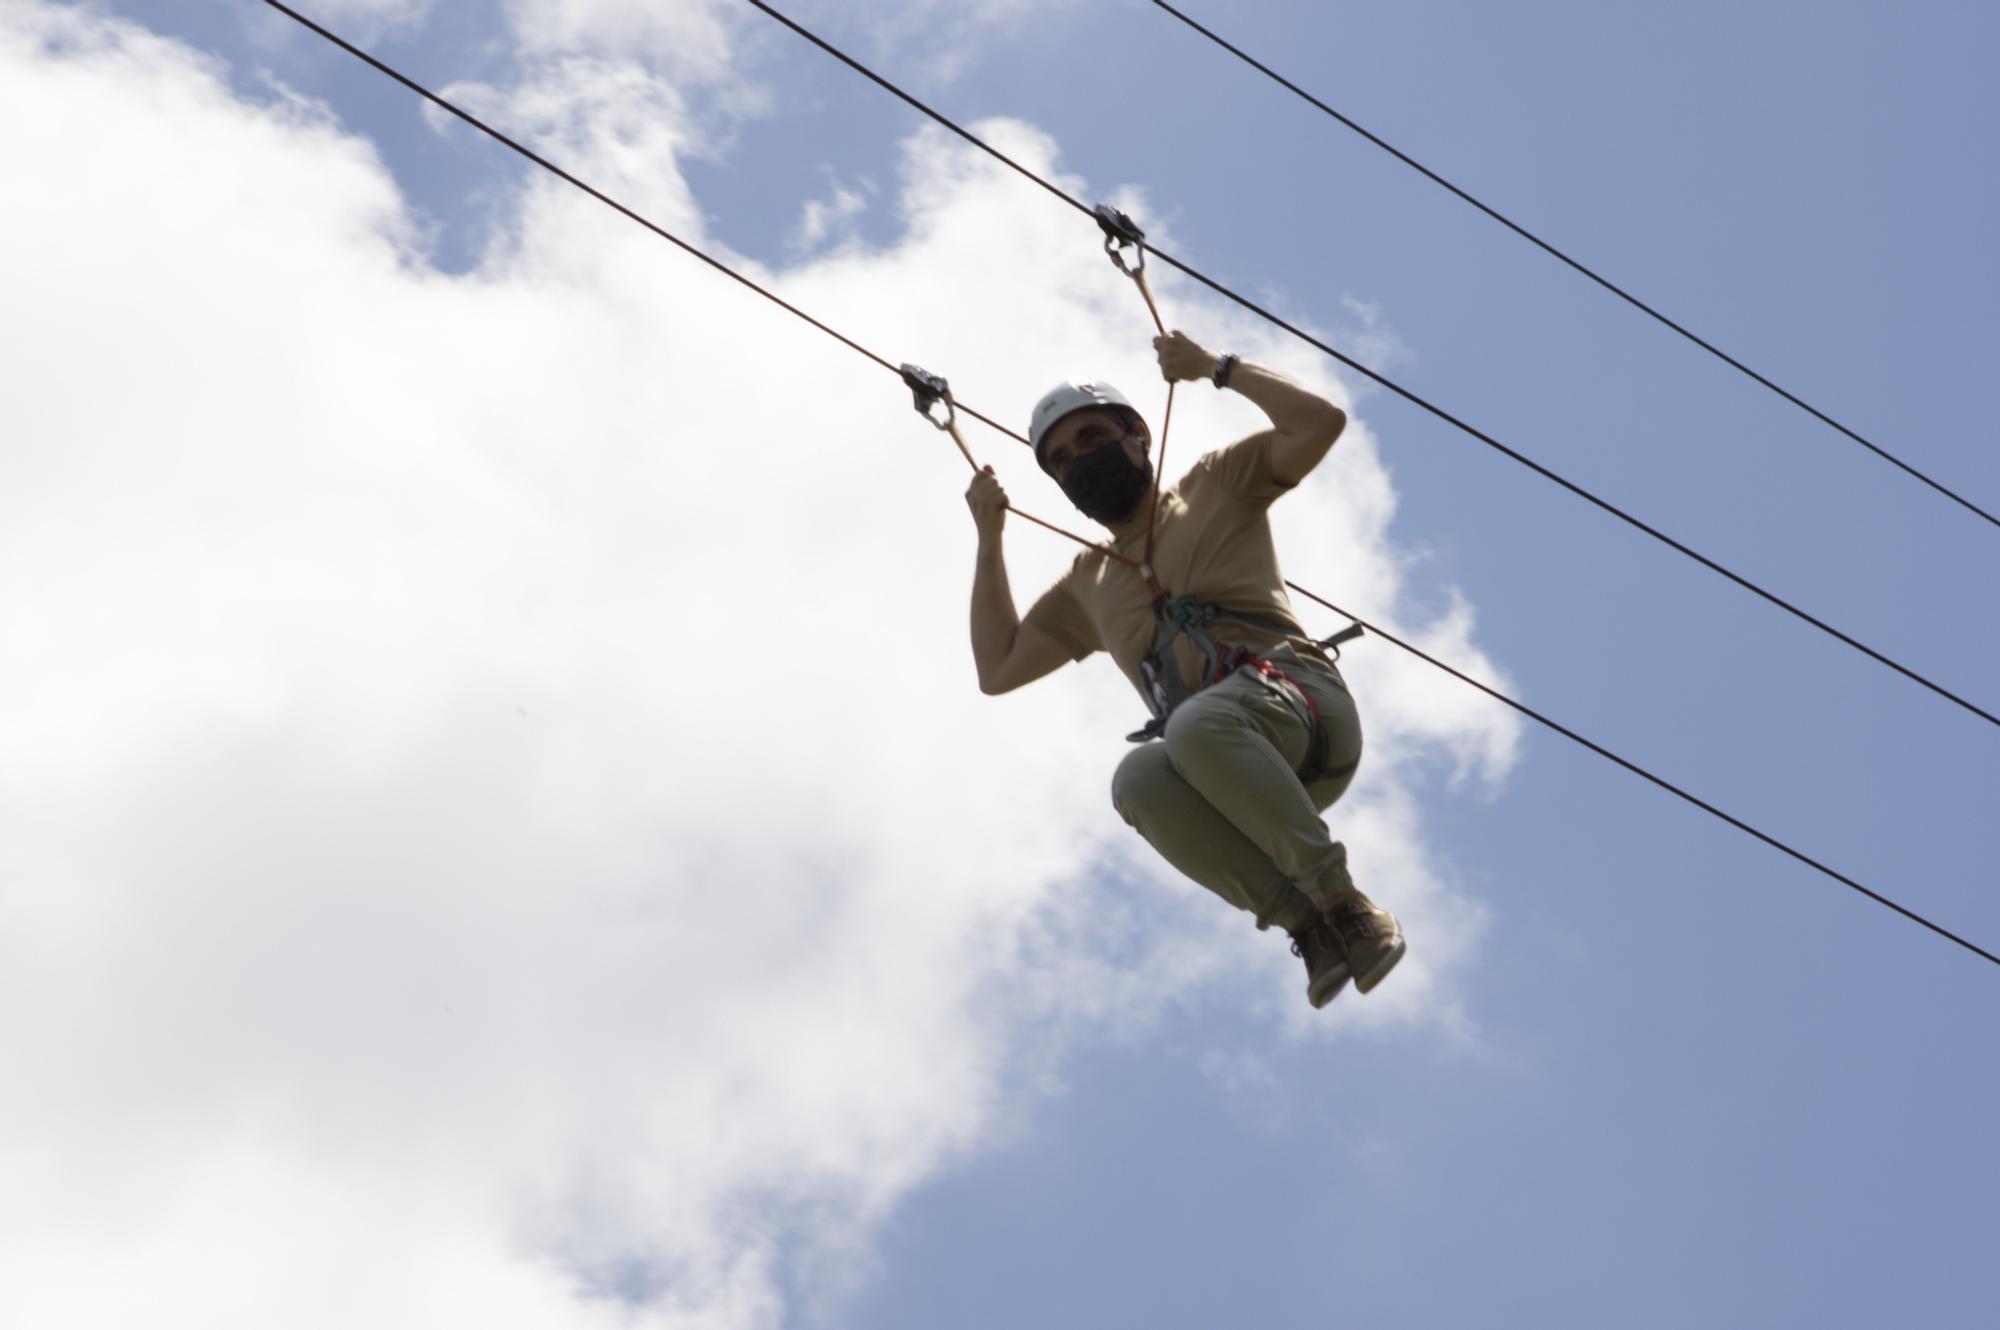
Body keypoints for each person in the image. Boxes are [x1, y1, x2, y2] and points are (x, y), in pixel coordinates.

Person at [965, 330, 1404, 1008]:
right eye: (1060, 461)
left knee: (1194, 725)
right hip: (1235, 773)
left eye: (1090, 439)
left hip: (1303, 712)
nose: (1078, 462)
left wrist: (1216, 370)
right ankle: (1308, 925)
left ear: (1138, 435)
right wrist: (990, 539)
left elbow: (1320, 423)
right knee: (1137, 778)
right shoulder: (1088, 583)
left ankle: (1344, 900)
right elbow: (996, 668)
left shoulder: (1215, 485)